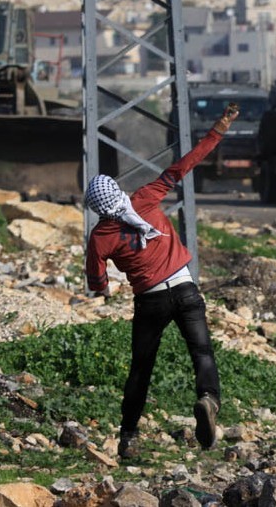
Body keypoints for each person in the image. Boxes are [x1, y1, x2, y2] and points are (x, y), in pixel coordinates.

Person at [84, 102, 240, 459]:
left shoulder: (100, 236)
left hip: (150, 301)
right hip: (185, 289)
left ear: (96, 206)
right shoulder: (145, 198)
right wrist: (219, 128)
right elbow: (184, 165)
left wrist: (106, 288)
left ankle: (128, 437)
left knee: (141, 368)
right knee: (201, 352)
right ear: (117, 191)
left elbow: (97, 282)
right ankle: (208, 399)